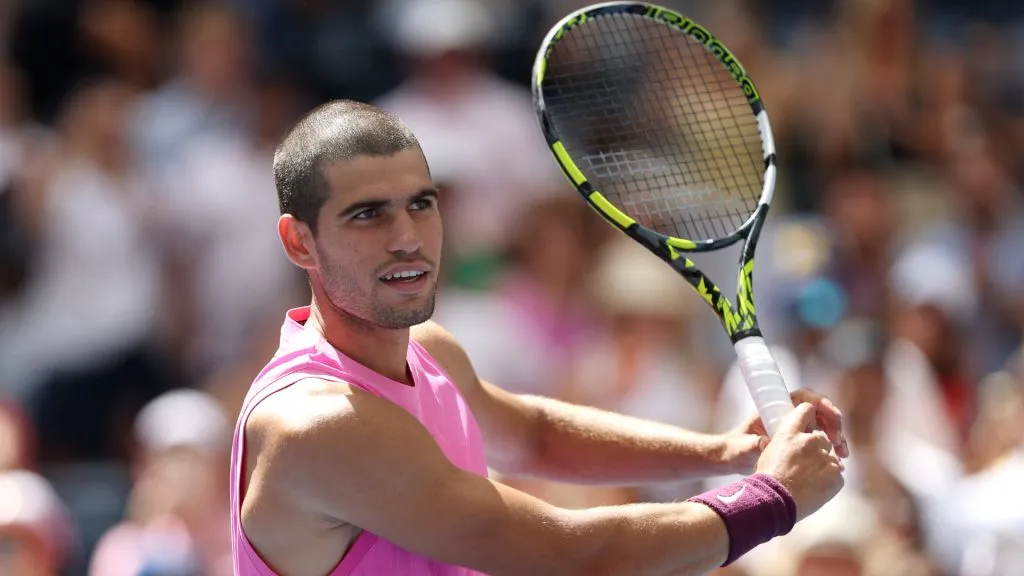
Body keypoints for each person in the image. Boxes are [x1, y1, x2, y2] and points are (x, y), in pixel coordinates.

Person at [229, 99, 850, 576]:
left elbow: (533, 434)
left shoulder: (430, 350)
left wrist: (729, 452)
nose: (408, 236)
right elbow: (568, 556)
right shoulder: (320, 425)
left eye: (422, 203)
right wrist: (773, 497)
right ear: (297, 241)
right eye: (368, 214)